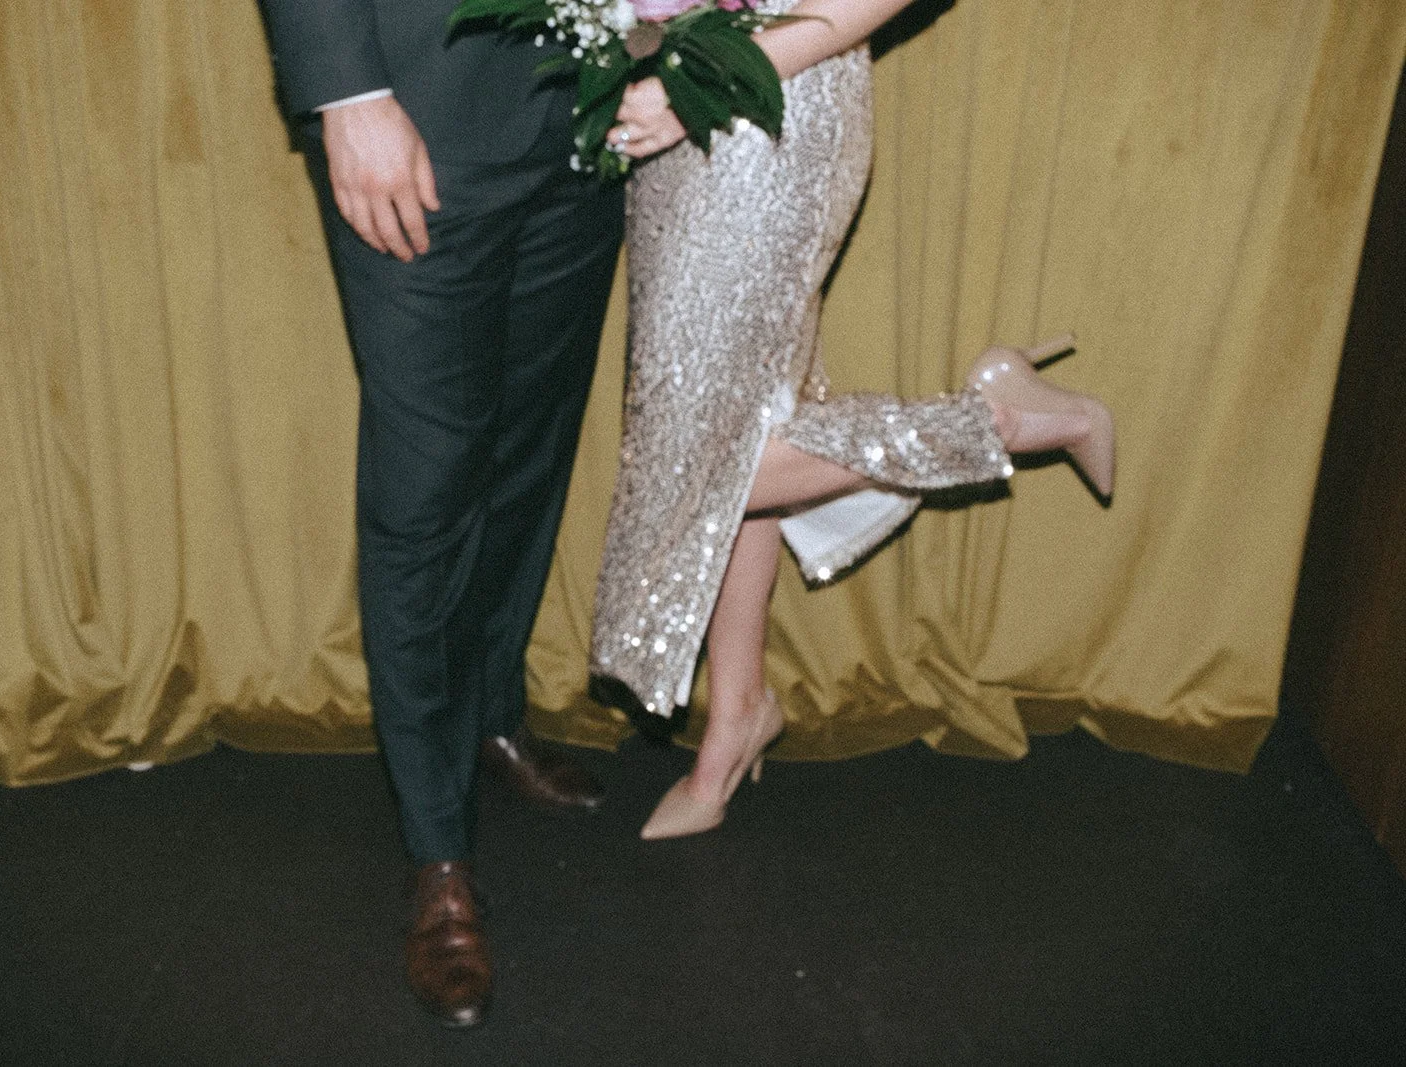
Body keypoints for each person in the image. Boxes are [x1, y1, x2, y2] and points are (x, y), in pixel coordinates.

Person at [595, 0, 1116, 839]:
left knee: (705, 457)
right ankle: (737, 715)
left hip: (773, 116)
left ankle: (999, 419)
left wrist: (698, 78)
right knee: (744, 423)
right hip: (677, 121)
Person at [258, 1, 625, 1027]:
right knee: (423, 496)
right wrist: (349, 91)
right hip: (408, 113)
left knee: (525, 453)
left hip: (588, 119)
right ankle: (438, 849)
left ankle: (491, 716)